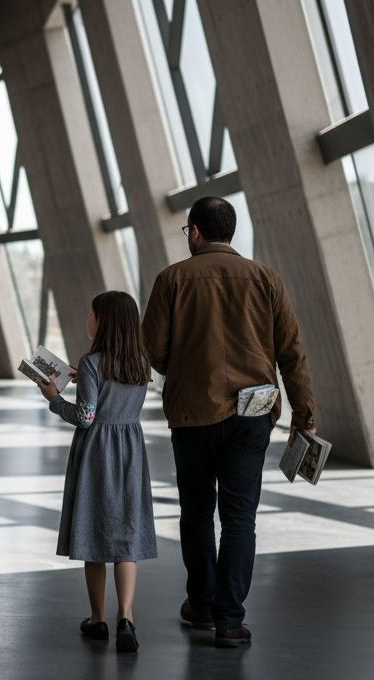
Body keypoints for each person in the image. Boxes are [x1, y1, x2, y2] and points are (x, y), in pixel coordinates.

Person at [142, 196, 316, 649]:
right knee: (240, 519)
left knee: (196, 512)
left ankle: (200, 604)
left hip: (193, 413)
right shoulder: (266, 279)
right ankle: (229, 621)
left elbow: (153, 351)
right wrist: (305, 416)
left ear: (195, 232)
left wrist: (184, 368)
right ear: (230, 232)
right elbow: (292, 354)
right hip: (252, 414)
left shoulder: (171, 280)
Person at [37, 291, 156, 653]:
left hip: (96, 453)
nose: (88, 320)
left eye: (92, 314)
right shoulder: (140, 363)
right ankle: (127, 618)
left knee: (94, 535)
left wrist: (53, 397)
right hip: (130, 450)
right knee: (126, 537)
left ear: (103, 321)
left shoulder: (91, 362)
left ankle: (97, 619)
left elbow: (86, 416)